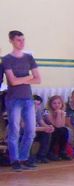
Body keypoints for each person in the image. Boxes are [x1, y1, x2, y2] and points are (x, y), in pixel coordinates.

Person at [3, 30, 41, 171]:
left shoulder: (29, 57)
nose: (22, 42)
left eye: (23, 39)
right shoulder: (7, 59)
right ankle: (14, 160)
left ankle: (24, 158)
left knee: (31, 130)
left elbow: (38, 79)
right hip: (13, 99)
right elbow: (12, 81)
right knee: (14, 130)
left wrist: (23, 79)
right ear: (11, 41)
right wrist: (28, 77)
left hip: (28, 98)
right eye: (18, 40)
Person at [44, 94, 71, 161]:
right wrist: (59, 114)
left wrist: (61, 113)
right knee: (57, 130)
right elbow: (56, 125)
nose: (57, 105)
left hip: (57, 129)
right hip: (48, 129)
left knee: (65, 130)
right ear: (50, 104)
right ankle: (50, 152)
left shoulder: (62, 112)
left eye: (59, 103)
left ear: (62, 104)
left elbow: (62, 125)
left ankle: (62, 151)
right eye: (54, 103)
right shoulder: (46, 111)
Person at [32, 94, 55, 163]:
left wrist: (49, 127)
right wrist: (43, 128)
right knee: (32, 134)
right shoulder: (24, 112)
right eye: (34, 104)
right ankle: (29, 157)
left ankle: (41, 156)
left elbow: (41, 122)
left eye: (38, 104)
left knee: (47, 133)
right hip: (25, 132)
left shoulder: (37, 111)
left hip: (36, 131)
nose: (35, 106)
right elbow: (27, 128)